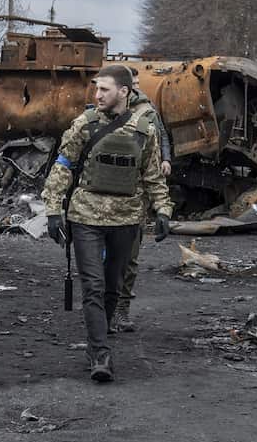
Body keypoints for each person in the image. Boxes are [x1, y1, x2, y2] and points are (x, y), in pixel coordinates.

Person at [42, 64, 173, 383]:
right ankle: (99, 354)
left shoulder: (145, 128)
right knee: (93, 287)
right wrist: (52, 209)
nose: (96, 94)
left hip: (126, 217)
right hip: (85, 215)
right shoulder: (84, 124)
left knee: (112, 288)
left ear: (124, 92)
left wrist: (163, 210)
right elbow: (63, 164)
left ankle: (100, 339)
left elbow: (153, 175)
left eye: (104, 89)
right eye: (96, 88)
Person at [114, 84, 172, 333]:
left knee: (129, 259)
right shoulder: (98, 114)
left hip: (135, 197)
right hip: (101, 200)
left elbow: (161, 137)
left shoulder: (147, 113)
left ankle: (121, 309)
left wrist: (165, 159)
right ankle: (102, 307)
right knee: (103, 259)